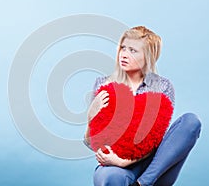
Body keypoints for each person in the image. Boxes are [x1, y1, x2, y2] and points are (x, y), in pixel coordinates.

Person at [84, 26, 202, 186]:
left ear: (148, 56)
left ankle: (143, 183)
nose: (124, 54)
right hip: (115, 166)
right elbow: (91, 142)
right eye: (123, 48)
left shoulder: (162, 86)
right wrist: (91, 115)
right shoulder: (104, 84)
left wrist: (124, 161)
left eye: (133, 50)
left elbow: (156, 138)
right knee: (110, 178)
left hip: (156, 167)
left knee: (191, 121)